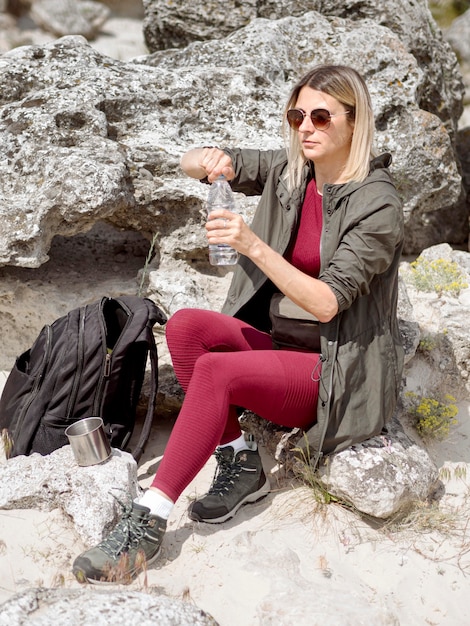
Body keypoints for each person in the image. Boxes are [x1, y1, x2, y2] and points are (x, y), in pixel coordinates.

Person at [72, 64, 404, 583]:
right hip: (277, 343)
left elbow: (325, 304)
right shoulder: (294, 169)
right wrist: (203, 160)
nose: (305, 128)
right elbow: (199, 166)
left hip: (335, 369)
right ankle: (240, 462)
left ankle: (148, 520)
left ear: (355, 123)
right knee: (185, 327)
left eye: (321, 116)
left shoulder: (377, 202)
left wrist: (251, 244)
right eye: (297, 115)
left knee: (214, 374)